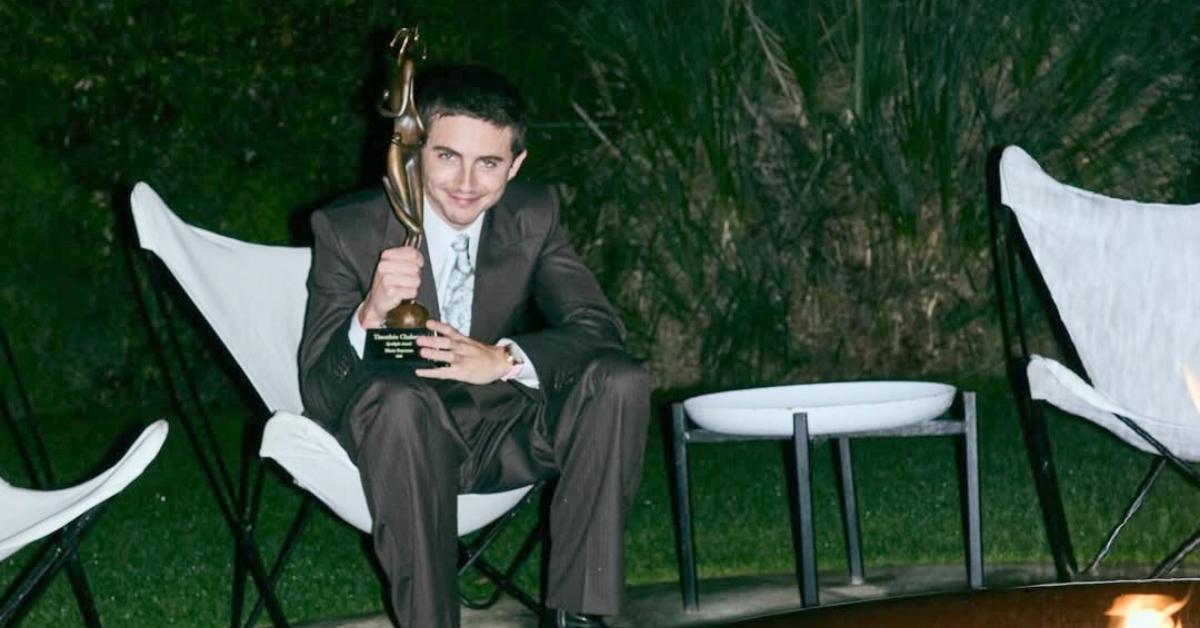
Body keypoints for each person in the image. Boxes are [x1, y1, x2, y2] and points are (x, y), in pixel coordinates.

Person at [298, 64, 649, 628]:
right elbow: (318, 392)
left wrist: (504, 359)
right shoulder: (351, 229)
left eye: (488, 163)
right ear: (416, 153)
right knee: (398, 401)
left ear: (515, 165)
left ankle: (581, 615)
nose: (466, 182)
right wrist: (369, 313)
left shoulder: (532, 216)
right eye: (447, 157)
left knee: (620, 378)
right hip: (402, 440)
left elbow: (597, 328)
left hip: (503, 435)